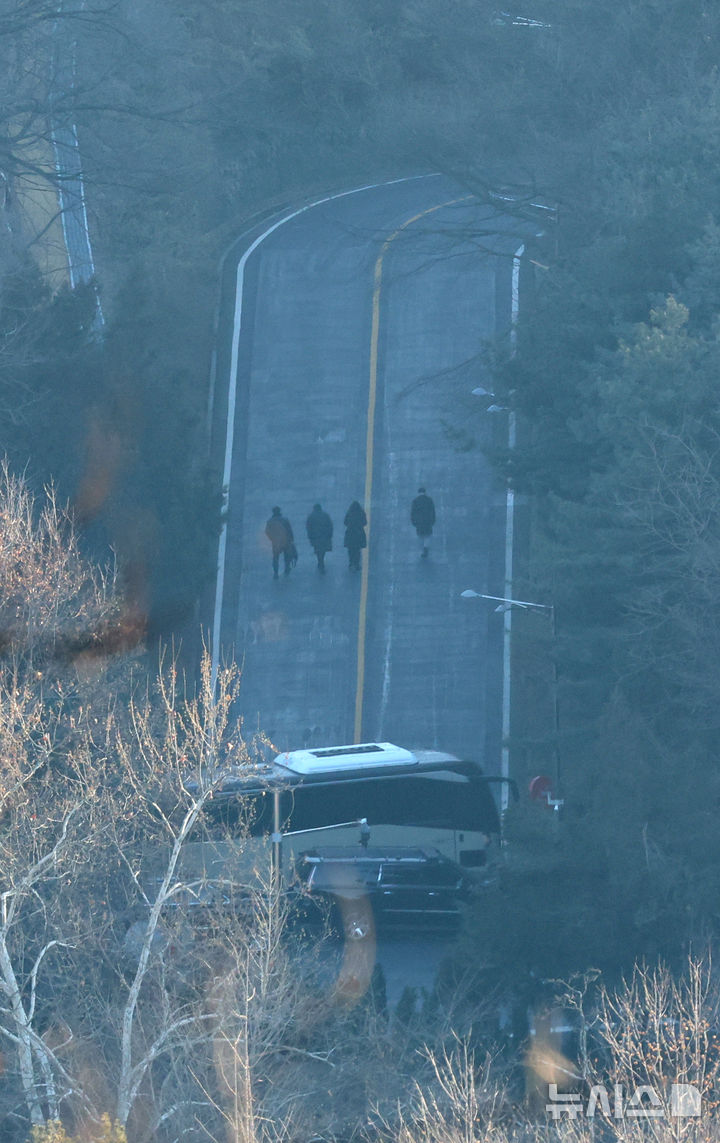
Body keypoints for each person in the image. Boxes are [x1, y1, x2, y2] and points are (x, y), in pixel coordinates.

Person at [265, 506, 295, 579]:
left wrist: (272, 538)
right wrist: (291, 539)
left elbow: (267, 532)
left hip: (276, 542)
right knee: (286, 556)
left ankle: (276, 572)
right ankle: (287, 568)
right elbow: (289, 530)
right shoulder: (284, 520)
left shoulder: (270, 521)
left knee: (275, 557)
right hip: (286, 541)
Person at [306, 503, 333, 573]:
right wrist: (330, 534)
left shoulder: (311, 516)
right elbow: (330, 525)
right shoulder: (325, 515)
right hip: (324, 536)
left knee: (317, 549)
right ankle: (321, 561)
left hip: (315, 536)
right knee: (323, 549)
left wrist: (310, 535)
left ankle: (320, 561)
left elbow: (308, 527)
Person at [410, 486, 436, 558]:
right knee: (427, 535)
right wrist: (433, 520)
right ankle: (426, 547)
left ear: (418, 493)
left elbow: (413, 512)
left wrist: (413, 521)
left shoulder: (415, 501)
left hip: (419, 522)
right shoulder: (429, 500)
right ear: (425, 492)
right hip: (428, 521)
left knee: (420, 535)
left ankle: (423, 548)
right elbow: (433, 511)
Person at [343, 500, 367, 571]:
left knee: (350, 550)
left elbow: (345, 522)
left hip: (350, 534)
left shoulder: (349, 513)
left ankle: (351, 563)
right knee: (357, 550)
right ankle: (356, 564)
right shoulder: (361, 513)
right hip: (358, 534)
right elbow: (365, 522)